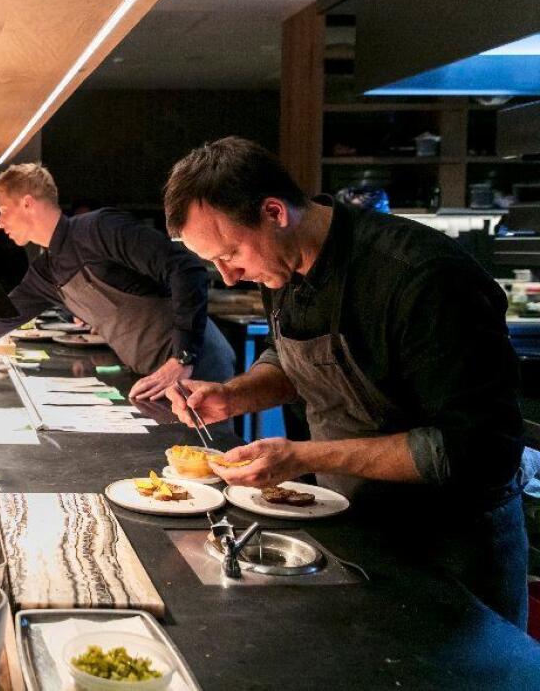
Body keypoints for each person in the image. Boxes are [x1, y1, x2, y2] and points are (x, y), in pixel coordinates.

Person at [162, 136, 526, 628]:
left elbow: (477, 451)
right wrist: (234, 395)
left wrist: (302, 456)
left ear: (275, 212)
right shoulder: (284, 268)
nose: (227, 278)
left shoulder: (421, 277)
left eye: (230, 254)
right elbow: (291, 361)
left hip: (451, 549)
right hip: (358, 524)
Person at [0, 164, 234, 392]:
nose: (1, 221)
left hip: (198, 361)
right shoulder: (47, 271)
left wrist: (183, 357)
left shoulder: (99, 228)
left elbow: (185, 269)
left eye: (4, 210)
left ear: (27, 203)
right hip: (153, 373)